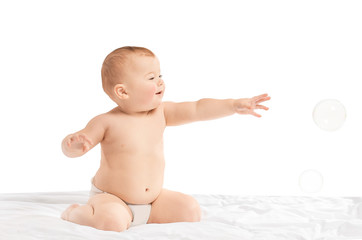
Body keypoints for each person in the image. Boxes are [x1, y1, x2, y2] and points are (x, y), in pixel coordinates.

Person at [61, 46, 271, 232]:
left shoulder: (162, 112)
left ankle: (142, 218)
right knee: (111, 222)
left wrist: (233, 105)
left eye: (160, 75)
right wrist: (74, 145)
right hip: (113, 199)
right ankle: (75, 214)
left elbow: (198, 108)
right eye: (151, 78)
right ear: (123, 91)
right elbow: (73, 147)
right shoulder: (106, 121)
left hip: (153, 201)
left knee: (189, 210)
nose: (160, 81)